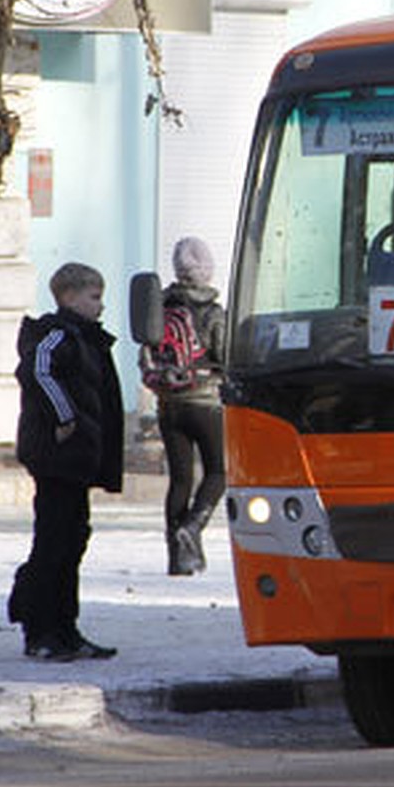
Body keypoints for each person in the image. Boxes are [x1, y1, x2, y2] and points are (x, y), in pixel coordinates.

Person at [7, 262, 123, 661]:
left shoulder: (87, 338)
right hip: (56, 457)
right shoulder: (55, 334)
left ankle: (65, 627)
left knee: (74, 539)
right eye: (94, 297)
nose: (101, 306)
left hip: (77, 460)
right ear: (68, 297)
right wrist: (66, 418)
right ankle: (39, 629)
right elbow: (38, 372)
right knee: (53, 541)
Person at [151, 237, 226, 576]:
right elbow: (225, 356)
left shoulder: (160, 308)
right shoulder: (212, 312)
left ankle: (175, 559)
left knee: (179, 480)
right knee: (217, 472)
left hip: (169, 405)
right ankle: (194, 526)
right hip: (205, 403)